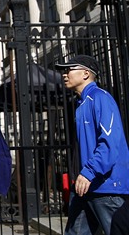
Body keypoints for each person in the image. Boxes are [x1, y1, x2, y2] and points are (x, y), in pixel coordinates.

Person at [55, 54, 129, 235]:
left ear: (86, 74)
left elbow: (110, 143)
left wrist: (89, 172)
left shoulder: (101, 98)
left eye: (69, 69)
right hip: (85, 186)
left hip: (105, 187)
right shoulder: (81, 103)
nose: (65, 74)